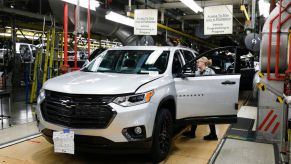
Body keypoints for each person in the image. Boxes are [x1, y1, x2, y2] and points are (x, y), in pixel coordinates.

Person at [182, 57, 218, 140]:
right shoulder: (197, 72)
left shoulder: (210, 71)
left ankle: (213, 134)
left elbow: (215, 84)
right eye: (197, 62)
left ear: (204, 62)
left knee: (209, 115)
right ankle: (192, 132)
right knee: (195, 113)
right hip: (199, 96)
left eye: (199, 61)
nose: (197, 63)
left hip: (208, 97)